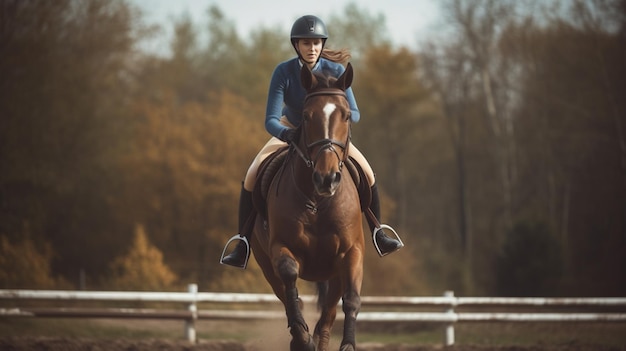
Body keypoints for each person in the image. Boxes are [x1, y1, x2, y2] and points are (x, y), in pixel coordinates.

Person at [221, 15, 403, 268]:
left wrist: (337, 122)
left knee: (368, 173)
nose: (312, 48)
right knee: (252, 173)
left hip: (327, 135)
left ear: (322, 44)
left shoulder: (337, 70)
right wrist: (288, 135)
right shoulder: (283, 72)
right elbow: (271, 119)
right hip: (291, 129)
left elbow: (356, 113)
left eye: (317, 43)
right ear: (297, 46)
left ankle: (378, 231)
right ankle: (243, 242)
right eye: (307, 43)